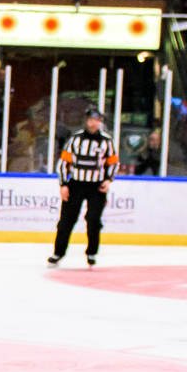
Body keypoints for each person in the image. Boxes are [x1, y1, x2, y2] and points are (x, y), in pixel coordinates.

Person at [50, 105, 117, 267]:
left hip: (97, 186)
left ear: (100, 122)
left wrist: (108, 180)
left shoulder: (106, 141)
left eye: (96, 120)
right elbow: (63, 163)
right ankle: (58, 252)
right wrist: (63, 184)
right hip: (76, 185)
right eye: (91, 120)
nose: (93, 123)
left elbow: (113, 162)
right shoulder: (76, 139)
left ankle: (92, 252)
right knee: (66, 220)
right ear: (86, 121)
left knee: (93, 219)